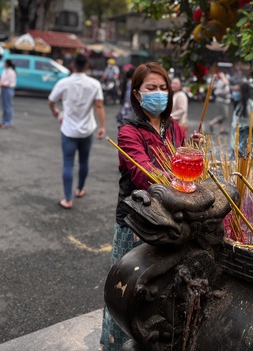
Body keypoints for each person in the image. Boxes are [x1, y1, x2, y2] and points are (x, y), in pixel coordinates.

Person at [99, 62, 202, 351]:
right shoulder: (129, 132)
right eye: (151, 88)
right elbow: (142, 173)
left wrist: (192, 154)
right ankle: (112, 344)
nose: (159, 93)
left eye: (163, 88)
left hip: (171, 221)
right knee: (126, 293)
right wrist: (172, 175)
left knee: (159, 292)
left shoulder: (176, 130)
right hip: (138, 220)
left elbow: (185, 175)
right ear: (137, 93)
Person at [48, 53, 106, 209]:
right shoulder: (94, 84)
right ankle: (79, 189)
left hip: (68, 130)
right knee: (84, 161)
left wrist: (56, 111)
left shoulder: (64, 83)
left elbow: (51, 100)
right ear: (87, 66)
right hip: (87, 130)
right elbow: (99, 106)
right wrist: (102, 126)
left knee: (68, 163)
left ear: (73, 65)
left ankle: (67, 199)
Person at [230, 82, 253, 157]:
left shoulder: (251, 106)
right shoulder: (239, 105)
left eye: (237, 91)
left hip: (245, 140)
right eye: (234, 91)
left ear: (243, 92)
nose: (234, 93)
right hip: (236, 140)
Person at [0, 59, 17, 129]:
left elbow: (11, 82)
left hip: (8, 89)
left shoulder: (11, 72)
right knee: (4, 106)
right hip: (3, 89)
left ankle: (7, 122)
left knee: (8, 106)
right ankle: (4, 121)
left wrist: (3, 84)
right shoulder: (4, 71)